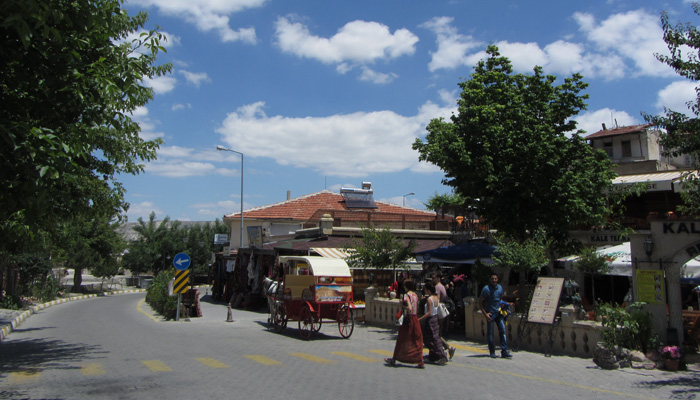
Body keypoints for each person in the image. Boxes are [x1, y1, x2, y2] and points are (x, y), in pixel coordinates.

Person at [385, 280, 425, 368]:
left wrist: (402, 305)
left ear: (406, 286)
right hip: (415, 318)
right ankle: (420, 361)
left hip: (408, 319)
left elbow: (409, 308)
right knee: (417, 339)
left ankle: (394, 358)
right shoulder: (415, 295)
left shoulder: (407, 295)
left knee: (402, 339)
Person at [479, 273, 512, 358]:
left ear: (497, 279)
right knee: (490, 333)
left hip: (499, 313)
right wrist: (485, 314)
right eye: (492, 279)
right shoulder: (486, 289)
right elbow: (480, 302)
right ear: (490, 280)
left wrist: (503, 305)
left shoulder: (500, 288)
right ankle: (492, 351)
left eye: (495, 279)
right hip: (491, 314)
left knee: (502, 331)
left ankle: (504, 351)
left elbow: (500, 299)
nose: (494, 280)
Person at [419, 282, 450, 365]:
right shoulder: (436, 297)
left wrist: (420, 319)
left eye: (425, 289)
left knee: (430, 339)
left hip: (430, 320)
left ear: (428, 290)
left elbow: (429, 312)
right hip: (435, 318)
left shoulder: (429, 299)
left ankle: (442, 355)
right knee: (435, 338)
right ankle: (433, 356)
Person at [432, 273, 456, 358]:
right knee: (438, 333)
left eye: (434, 277)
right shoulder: (442, 286)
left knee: (435, 333)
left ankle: (446, 348)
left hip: (438, 311)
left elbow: (437, 299)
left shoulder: (437, 287)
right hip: (442, 311)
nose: (432, 279)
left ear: (438, 278)